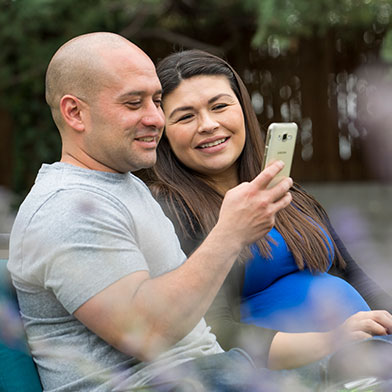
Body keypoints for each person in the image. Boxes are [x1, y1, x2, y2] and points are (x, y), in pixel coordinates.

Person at [6, 32, 315, 392]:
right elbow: (147, 332)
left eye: (155, 100)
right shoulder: (66, 208)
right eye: (134, 103)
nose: (155, 118)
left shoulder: (123, 186)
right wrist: (230, 233)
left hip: (208, 374)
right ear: (75, 112)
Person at [144, 48, 392, 371]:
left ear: (244, 111)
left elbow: (352, 272)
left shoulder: (284, 188)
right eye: (186, 116)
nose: (208, 124)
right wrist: (332, 338)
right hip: (296, 374)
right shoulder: (171, 210)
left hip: (368, 354)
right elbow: (215, 331)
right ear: (163, 132)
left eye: (220, 106)